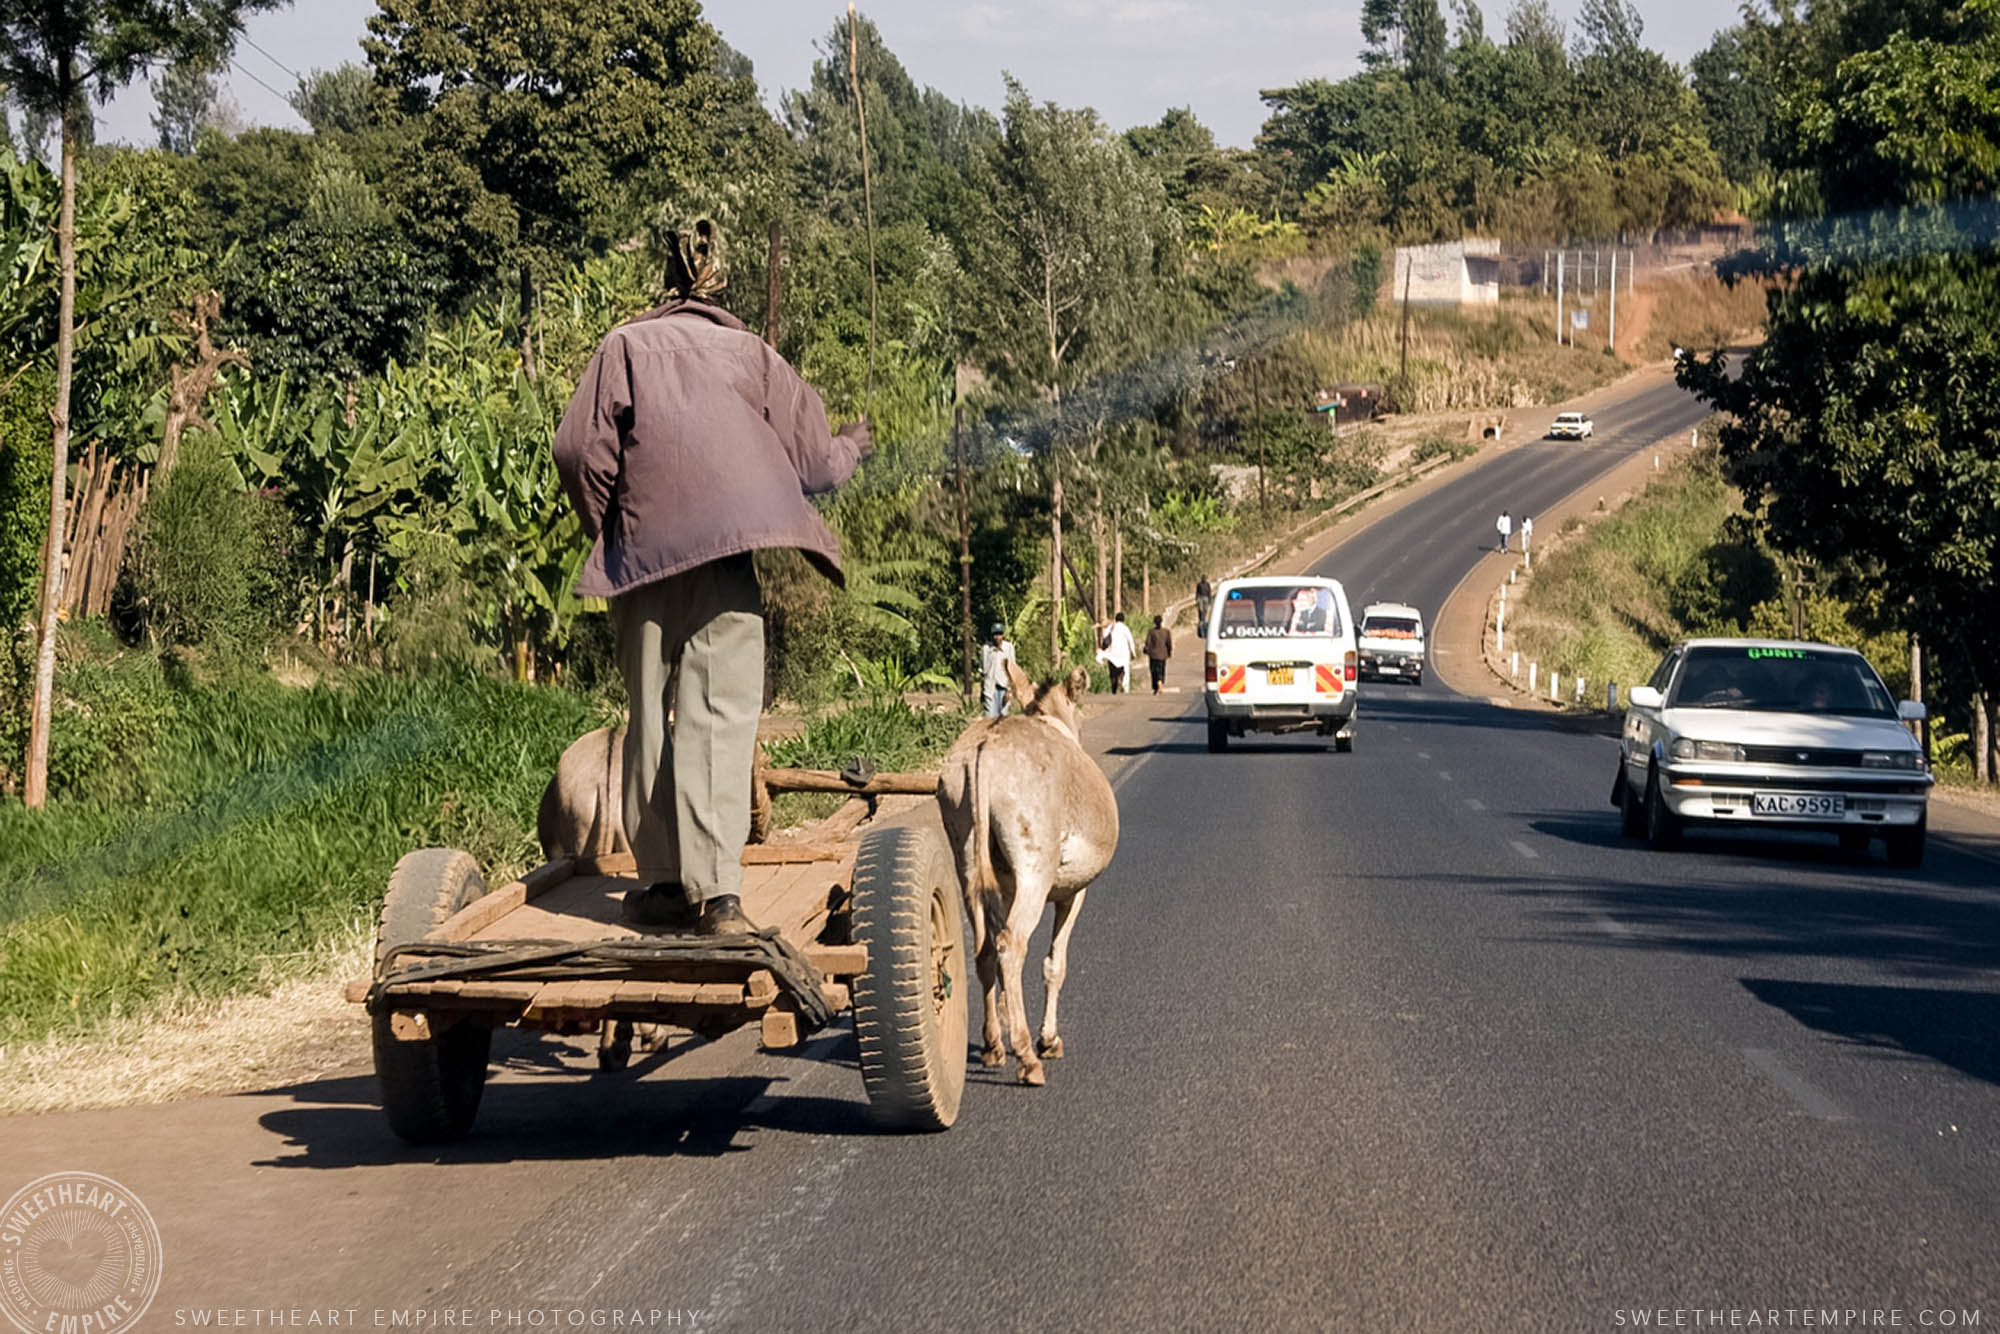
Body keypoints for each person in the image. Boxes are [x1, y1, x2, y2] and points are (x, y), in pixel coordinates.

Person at [554, 216, 870, 935]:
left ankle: (663, 885)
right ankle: (719, 896)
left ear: (665, 288)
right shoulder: (757, 357)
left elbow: (577, 450)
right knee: (720, 716)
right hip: (730, 558)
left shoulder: (624, 346)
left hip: (642, 559)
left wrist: (614, 527)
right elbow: (817, 465)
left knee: (648, 716)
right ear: (722, 290)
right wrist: (853, 444)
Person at [980, 622, 1016, 717]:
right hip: (990, 688)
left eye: (999, 634)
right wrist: (982, 691)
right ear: (992, 636)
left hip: (1004, 688)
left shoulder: (1009, 648)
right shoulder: (986, 649)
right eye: (995, 635)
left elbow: (1012, 670)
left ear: (1003, 635)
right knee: (989, 719)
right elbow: (983, 671)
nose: (997, 637)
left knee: (1003, 720)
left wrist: (1009, 691)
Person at [1098, 610, 1138, 693]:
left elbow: (1105, 640)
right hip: (1123, 655)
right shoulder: (1125, 628)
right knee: (1125, 671)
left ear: (1115, 619)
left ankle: (1114, 689)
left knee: (1113, 673)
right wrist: (1133, 653)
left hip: (1112, 654)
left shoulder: (1110, 628)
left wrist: (1103, 652)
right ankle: (1125, 687)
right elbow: (1130, 641)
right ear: (1123, 620)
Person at [1143, 615, 1173, 694]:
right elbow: (1169, 643)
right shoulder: (1166, 632)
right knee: (1161, 670)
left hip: (1153, 655)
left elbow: (1147, 643)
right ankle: (1160, 682)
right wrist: (1169, 652)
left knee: (1153, 671)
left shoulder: (1151, 631)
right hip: (1163, 655)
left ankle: (1155, 686)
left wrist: (1146, 650)